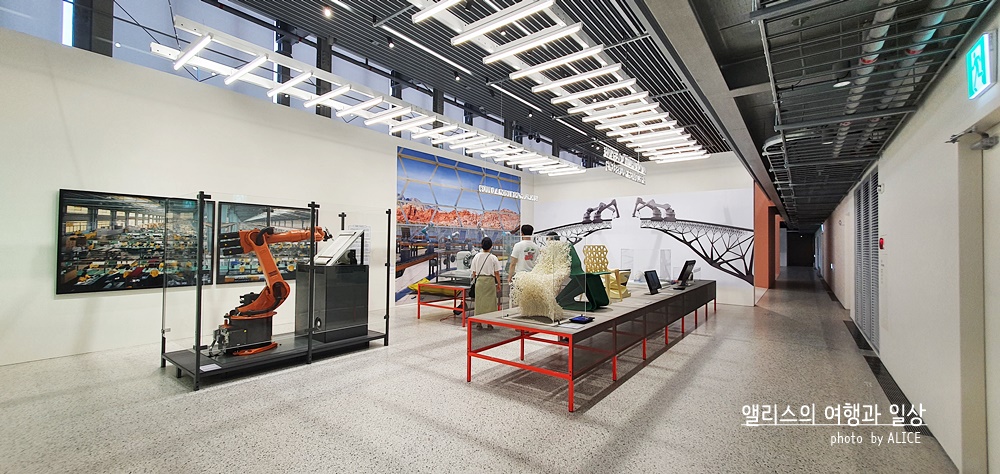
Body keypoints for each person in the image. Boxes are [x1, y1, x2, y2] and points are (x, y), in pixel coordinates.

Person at [470, 237, 502, 329]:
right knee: (490, 302)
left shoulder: (476, 256)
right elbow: (496, 273)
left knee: (479, 302)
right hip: (489, 282)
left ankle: (479, 323)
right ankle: (489, 323)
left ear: (481, 245)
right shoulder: (493, 258)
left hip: (479, 281)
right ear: (491, 246)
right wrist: (499, 284)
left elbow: (474, 272)